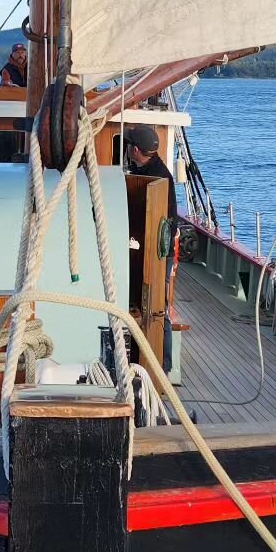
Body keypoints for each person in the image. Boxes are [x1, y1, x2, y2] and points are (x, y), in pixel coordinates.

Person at [126, 124, 177, 369]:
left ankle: (162, 366)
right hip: (149, 250)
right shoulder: (153, 170)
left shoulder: (157, 178)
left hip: (157, 255)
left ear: (135, 150)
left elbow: (165, 225)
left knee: (158, 310)